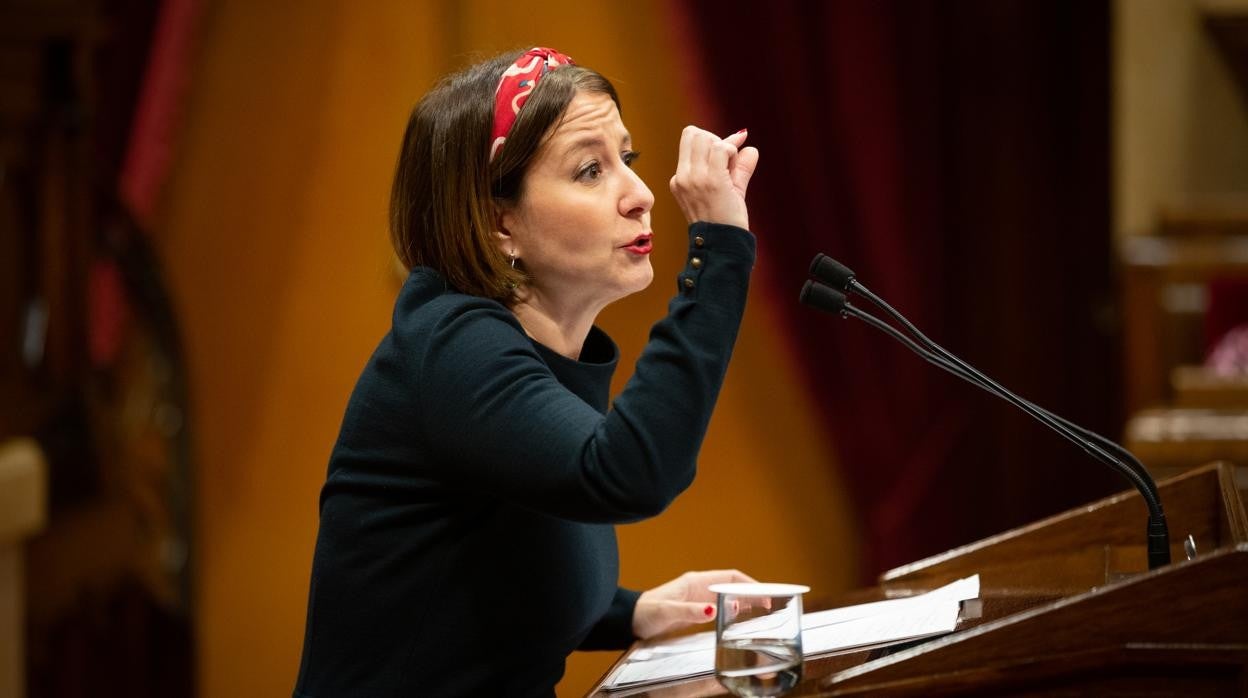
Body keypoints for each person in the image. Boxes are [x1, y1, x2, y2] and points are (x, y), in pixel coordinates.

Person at [294, 47, 761, 697]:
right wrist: (719, 251)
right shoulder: (453, 349)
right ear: (498, 221)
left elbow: (487, 580)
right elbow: (629, 474)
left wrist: (634, 611)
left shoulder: (521, 354)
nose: (641, 195)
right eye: (591, 170)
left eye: (626, 160)